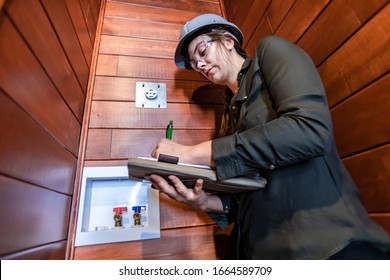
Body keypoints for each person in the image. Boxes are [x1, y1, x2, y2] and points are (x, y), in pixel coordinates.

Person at [148, 14, 390, 259]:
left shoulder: (269, 51)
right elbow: (247, 196)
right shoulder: (228, 117)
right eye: (193, 62)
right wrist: (203, 201)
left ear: (229, 40)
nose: (199, 65)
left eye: (202, 51)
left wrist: (192, 152)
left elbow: (311, 130)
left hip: (326, 247)